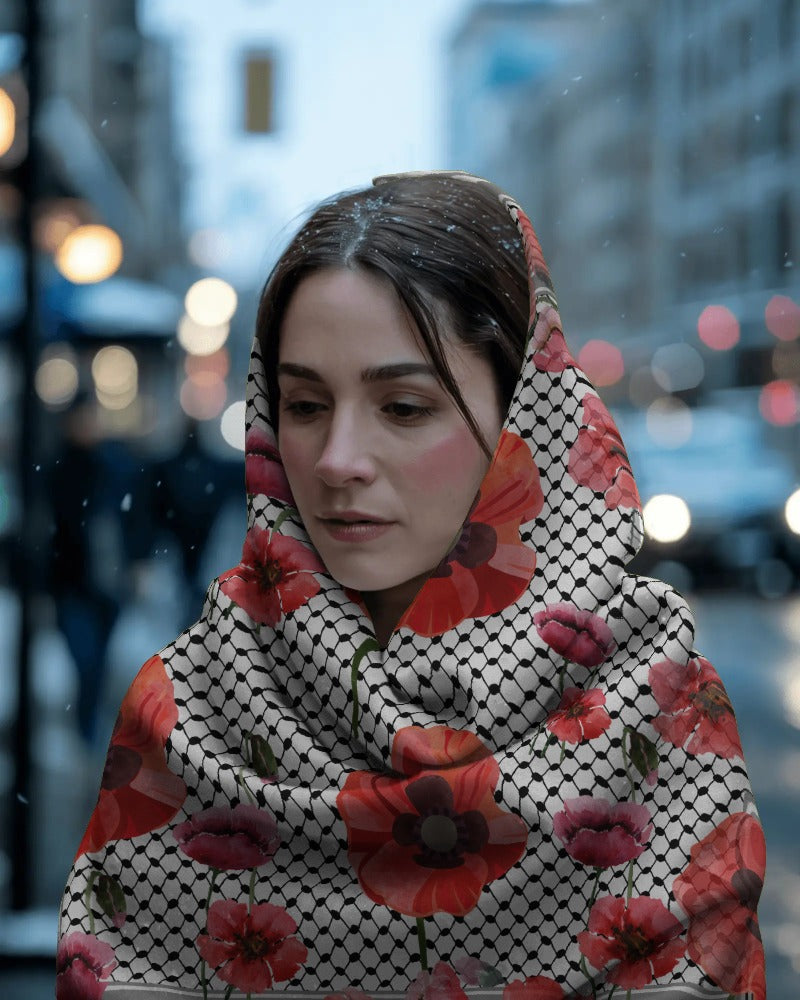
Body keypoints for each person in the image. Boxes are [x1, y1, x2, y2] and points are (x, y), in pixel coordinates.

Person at [56, 171, 767, 999]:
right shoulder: (188, 708)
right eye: (305, 403)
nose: (336, 461)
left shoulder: (663, 710)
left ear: (520, 421)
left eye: (402, 406)